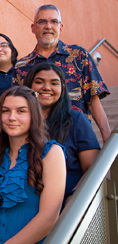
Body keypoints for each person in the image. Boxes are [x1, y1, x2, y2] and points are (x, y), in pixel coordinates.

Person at [0, 86, 66, 244]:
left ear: (33, 115)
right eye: (6, 111)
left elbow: (48, 217)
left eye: (21, 111)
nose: (12, 117)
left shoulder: (51, 153)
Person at [12, 4, 111, 143]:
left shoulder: (79, 55)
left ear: (61, 27)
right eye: (42, 21)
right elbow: (18, 106)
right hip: (36, 141)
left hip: (76, 138)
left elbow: (93, 100)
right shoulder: (22, 66)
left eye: (54, 21)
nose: (48, 26)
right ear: (33, 28)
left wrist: (107, 137)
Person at [24, 62, 100, 206]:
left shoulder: (76, 120)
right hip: (25, 204)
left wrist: (74, 198)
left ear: (63, 88)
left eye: (54, 83)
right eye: (39, 82)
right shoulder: (19, 123)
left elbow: (93, 169)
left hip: (66, 207)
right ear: (28, 87)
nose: (46, 87)